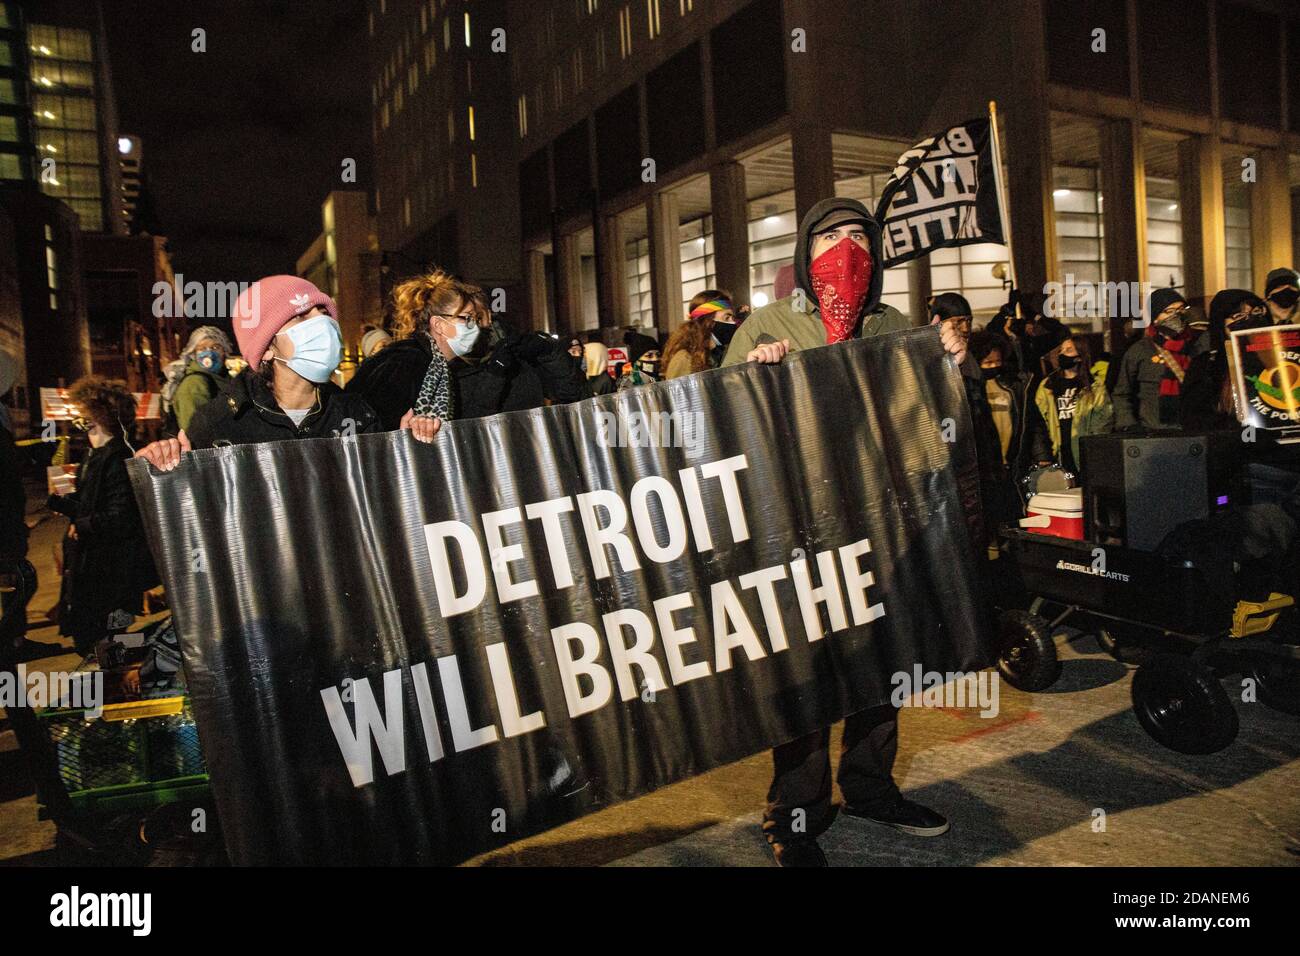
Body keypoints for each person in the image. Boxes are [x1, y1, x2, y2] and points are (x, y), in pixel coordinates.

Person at [721, 196, 965, 868]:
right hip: (800, 529)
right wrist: (752, 378)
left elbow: (932, 423)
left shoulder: (893, 325)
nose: (848, 246)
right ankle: (795, 815)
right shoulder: (769, 323)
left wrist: (947, 362)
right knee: (808, 675)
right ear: (806, 250)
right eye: (831, 235)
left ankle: (870, 788)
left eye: (860, 234)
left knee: (884, 663)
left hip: (885, 524)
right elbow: (722, 421)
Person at [134, 276, 382, 469]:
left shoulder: (358, 414)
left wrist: (412, 443)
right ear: (265, 349)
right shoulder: (218, 425)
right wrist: (164, 465)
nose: (323, 324)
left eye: (324, 313)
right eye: (302, 315)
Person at [349, 270, 590, 434]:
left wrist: (550, 353)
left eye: (481, 317)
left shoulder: (516, 350)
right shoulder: (427, 364)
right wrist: (494, 375)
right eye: (469, 319)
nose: (481, 326)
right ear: (440, 324)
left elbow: (573, 394)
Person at [48, 376, 157, 656]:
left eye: (86, 411)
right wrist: (62, 505)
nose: (81, 417)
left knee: (105, 639)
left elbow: (121, 517)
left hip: (110, 570)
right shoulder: (93, 454)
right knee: (92, 639)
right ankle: (136, 657)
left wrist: (82, 525)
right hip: (91, 566)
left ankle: (146, 654)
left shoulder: (119, 457)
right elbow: (90, 504)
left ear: (103, 414)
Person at [1112, 287, 1203, 431]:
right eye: (1169, 311)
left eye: (1181, 309)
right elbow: (1122, 393)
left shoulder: (1200, 344)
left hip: (1195, 431)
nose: (1177, 315)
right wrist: (1128, 425)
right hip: (1155, 434)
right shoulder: (1140, 351)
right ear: (1155, 318)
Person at [1182, 289, 1271, 432]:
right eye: (1238, 316)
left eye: (1255, 312)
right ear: (1220, 323)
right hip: (1230, 446)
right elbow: (1193, 416)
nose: (1248, 320)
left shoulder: (1280, 358)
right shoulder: (1206, 365)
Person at [1033, 335, 1113, 479]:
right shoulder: (1047, 385)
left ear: (1080, 356)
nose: (1062, 354)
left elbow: (1103, 420)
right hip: (1058, 452)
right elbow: (1038, 421)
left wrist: (1093, 449)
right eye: (1061, 350)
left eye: (1069, 350)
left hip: (1084, 453)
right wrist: (1044, 453)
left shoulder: (1095, 386)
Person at [165, 325, 232, 433]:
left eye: (215, 347)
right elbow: (198, 432)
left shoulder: (221, 379)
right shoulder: (194, 384)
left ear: (225, 351)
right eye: (202, 349)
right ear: (193, 354)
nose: (209, 353)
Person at [661, 292, 727, 380]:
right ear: (708, 321)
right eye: (727, 318)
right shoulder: (684, 359)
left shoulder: (720, 353)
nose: (733, 323)